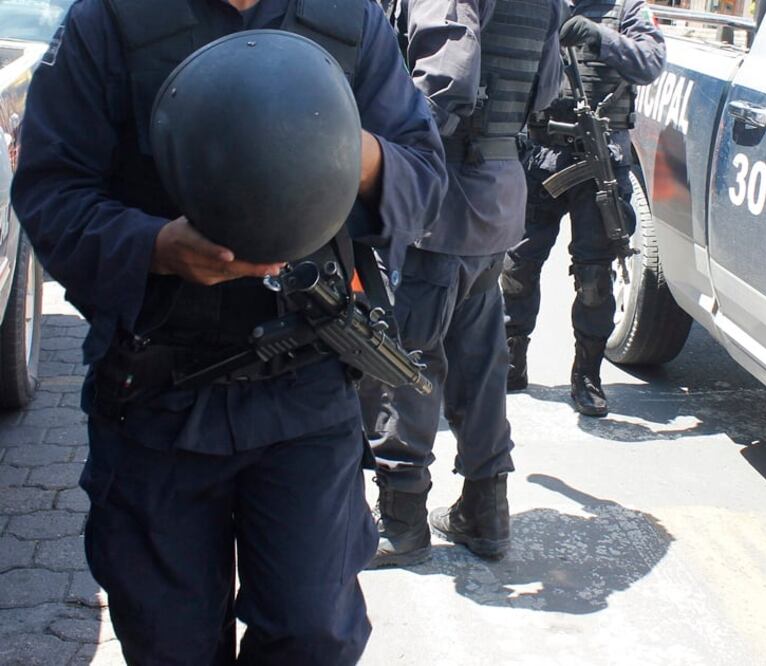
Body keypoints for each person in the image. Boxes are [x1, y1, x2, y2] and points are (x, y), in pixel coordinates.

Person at [11, 0, 445, 662]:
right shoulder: (110, 20)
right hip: (157, 402)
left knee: (312, 633)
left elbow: (425, 174)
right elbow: (50, 189)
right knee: (167, 641)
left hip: (305, 393)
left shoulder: (346, 21)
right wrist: (153, 246)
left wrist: (348, 150)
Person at [361, 0, 563, 566]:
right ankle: (486, 514)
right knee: (480, 362)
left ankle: (401, 525)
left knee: (404, 364)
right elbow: (544, 91)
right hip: (495, 197)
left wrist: (391, 161)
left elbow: (447, 77)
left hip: (440, 202)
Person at [501, 0, 665, 417]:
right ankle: (511, 360)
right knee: (516, 266)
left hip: (600, 158)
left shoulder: (626, 9)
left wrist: (601, 37)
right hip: (539, 153)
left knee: (594, 277)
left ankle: (587, 375)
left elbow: (650, 62)